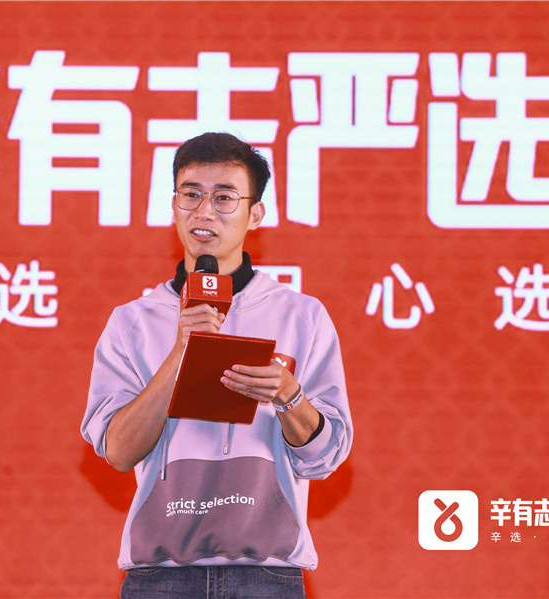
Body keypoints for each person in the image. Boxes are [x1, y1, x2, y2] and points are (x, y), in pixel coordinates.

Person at [81, 132, 352, 598]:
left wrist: (289, 396)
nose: (204, 211)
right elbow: (118, 452)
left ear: (255, 214)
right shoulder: (131, 322)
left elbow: (326, 457)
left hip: (266, 576)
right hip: (159, 577)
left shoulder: (302, 316)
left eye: (224, 198)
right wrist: (180, 353)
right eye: (191, 194)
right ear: (174, 205)